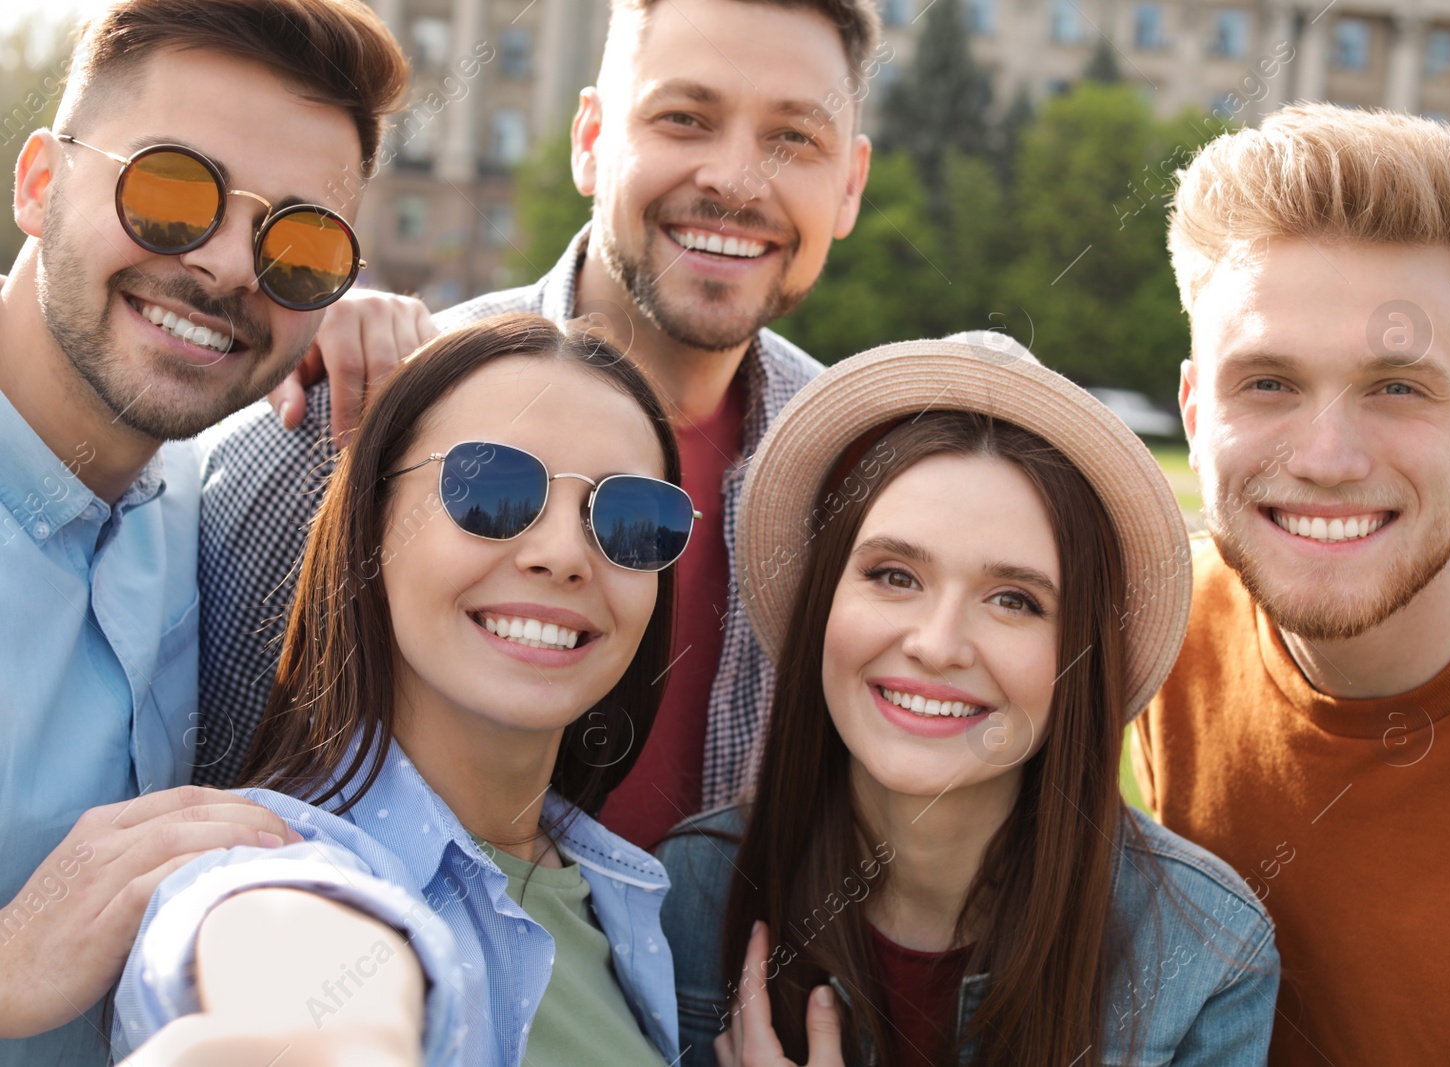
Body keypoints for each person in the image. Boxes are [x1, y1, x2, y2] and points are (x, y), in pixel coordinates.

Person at [194, 0, 885, 852]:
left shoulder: (866, 489)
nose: (736, 181)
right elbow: (194, 790)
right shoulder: (363, 407)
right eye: (684, 118)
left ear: (849, 183)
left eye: (794, 140)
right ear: (589, 139)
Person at [656, 334, 1279, 1066]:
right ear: (824, 598)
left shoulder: (1205, 950)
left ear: (1078, 656)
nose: (938, 642)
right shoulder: (692, 895)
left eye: (1014, 599)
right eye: (893, 575)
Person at [0, 1, 422, 1061]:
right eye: (172, 190)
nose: (234, 267)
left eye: (302, 246)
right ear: (40, 184)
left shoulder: (197, 500)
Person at [1135, 103, 1450, 1064]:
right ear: (1193, 409)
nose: (1329, 458)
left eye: (1397, 387)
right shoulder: (1147, 630)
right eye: (1267, 382)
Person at [112, 314, 693, 1065]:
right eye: (491, 488)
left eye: (629, 518)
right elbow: (278, 954)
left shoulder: (623, 890)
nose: (563, 555)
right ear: (373, 522)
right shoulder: (275, 860)